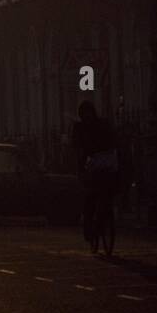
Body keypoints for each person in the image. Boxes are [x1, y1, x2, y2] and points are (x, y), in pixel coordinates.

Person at [71, 101, 117, 246]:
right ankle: (89, 227)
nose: (87, 115)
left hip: (104, 162)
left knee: (106, 193)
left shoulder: (102, 124)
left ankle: (104, 219)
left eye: (89, 112)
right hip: (90, 165)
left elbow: (113, 140)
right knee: (90, 197)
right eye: (84, 113)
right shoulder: (79, 128)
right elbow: (77, 148)